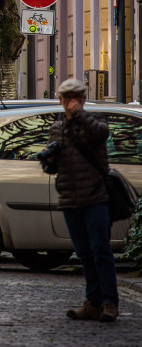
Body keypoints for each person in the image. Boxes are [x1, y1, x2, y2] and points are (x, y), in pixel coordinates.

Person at [42, 78, 118, 322]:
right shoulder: (57, 129)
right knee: (84, 254)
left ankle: (110, 303)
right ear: (61, 101)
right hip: (69, 199)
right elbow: (51, 169)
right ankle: (93, 302)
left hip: (96, 198)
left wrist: (80, 115)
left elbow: (99, 134)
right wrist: (49, 161)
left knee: (101, 250)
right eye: (67, 99)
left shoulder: (95, 122)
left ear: (83, 100)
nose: (70, 103)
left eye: (76, 99)